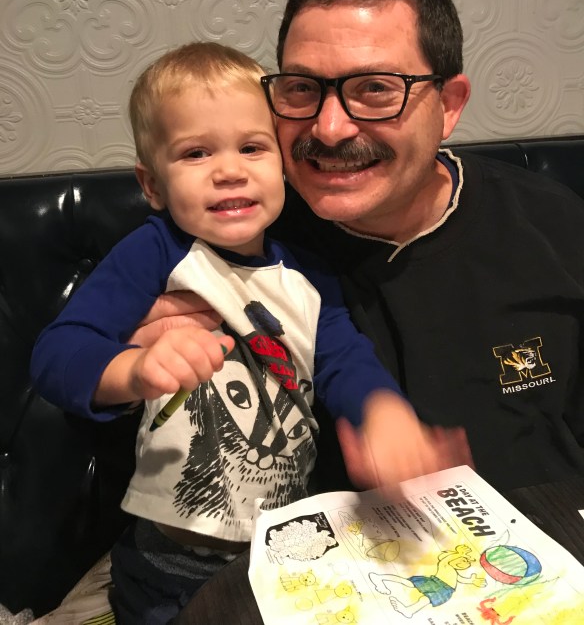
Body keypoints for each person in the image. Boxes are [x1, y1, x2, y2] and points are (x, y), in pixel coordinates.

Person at [30, 41, 468, 624]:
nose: (229, 170)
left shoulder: (308, 273)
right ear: (152, 185)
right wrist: (133, 369)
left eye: (252, 147)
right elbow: (57, 353)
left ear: (281, 163)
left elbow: (344, 360)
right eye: (196, 153)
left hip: (285, 539)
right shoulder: (155, 252)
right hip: (173, 554)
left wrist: (385, 414)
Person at [135, 0, 584, 495]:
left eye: (374, 89)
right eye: (302, 88)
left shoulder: (551, 224)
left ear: (448, 105)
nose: (329, 128)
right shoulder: (229, 234)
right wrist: (136, 369)